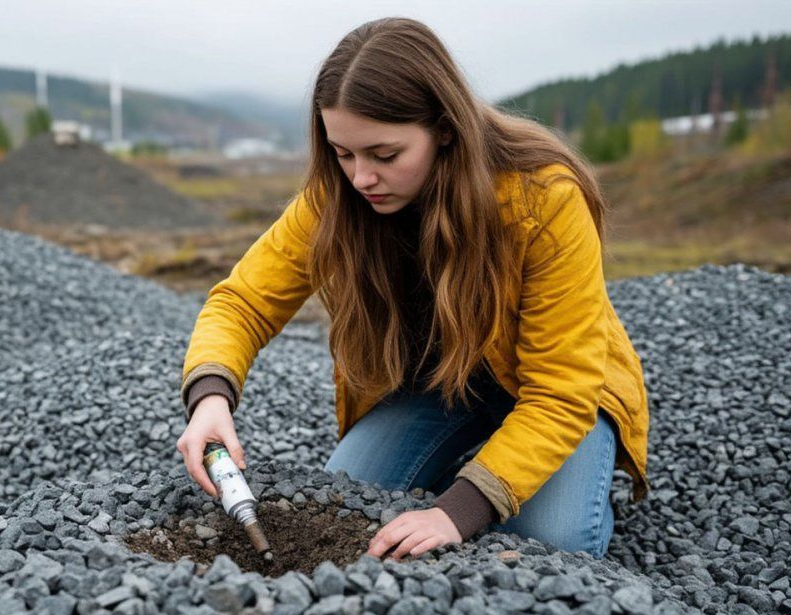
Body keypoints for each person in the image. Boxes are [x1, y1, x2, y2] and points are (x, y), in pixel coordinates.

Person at [176, 17, 649, 561]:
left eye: (385, 155)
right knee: (345, 500)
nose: (361, 179)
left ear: (445, 129)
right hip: (438, 386)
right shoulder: (339, 198)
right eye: (343, 153)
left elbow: (562, 388)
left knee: (550, 545)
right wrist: (210, 395)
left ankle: (568, 471)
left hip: (551, 394)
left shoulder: (542, 198)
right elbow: (243, 301)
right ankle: (482, 459)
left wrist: (457, 510)